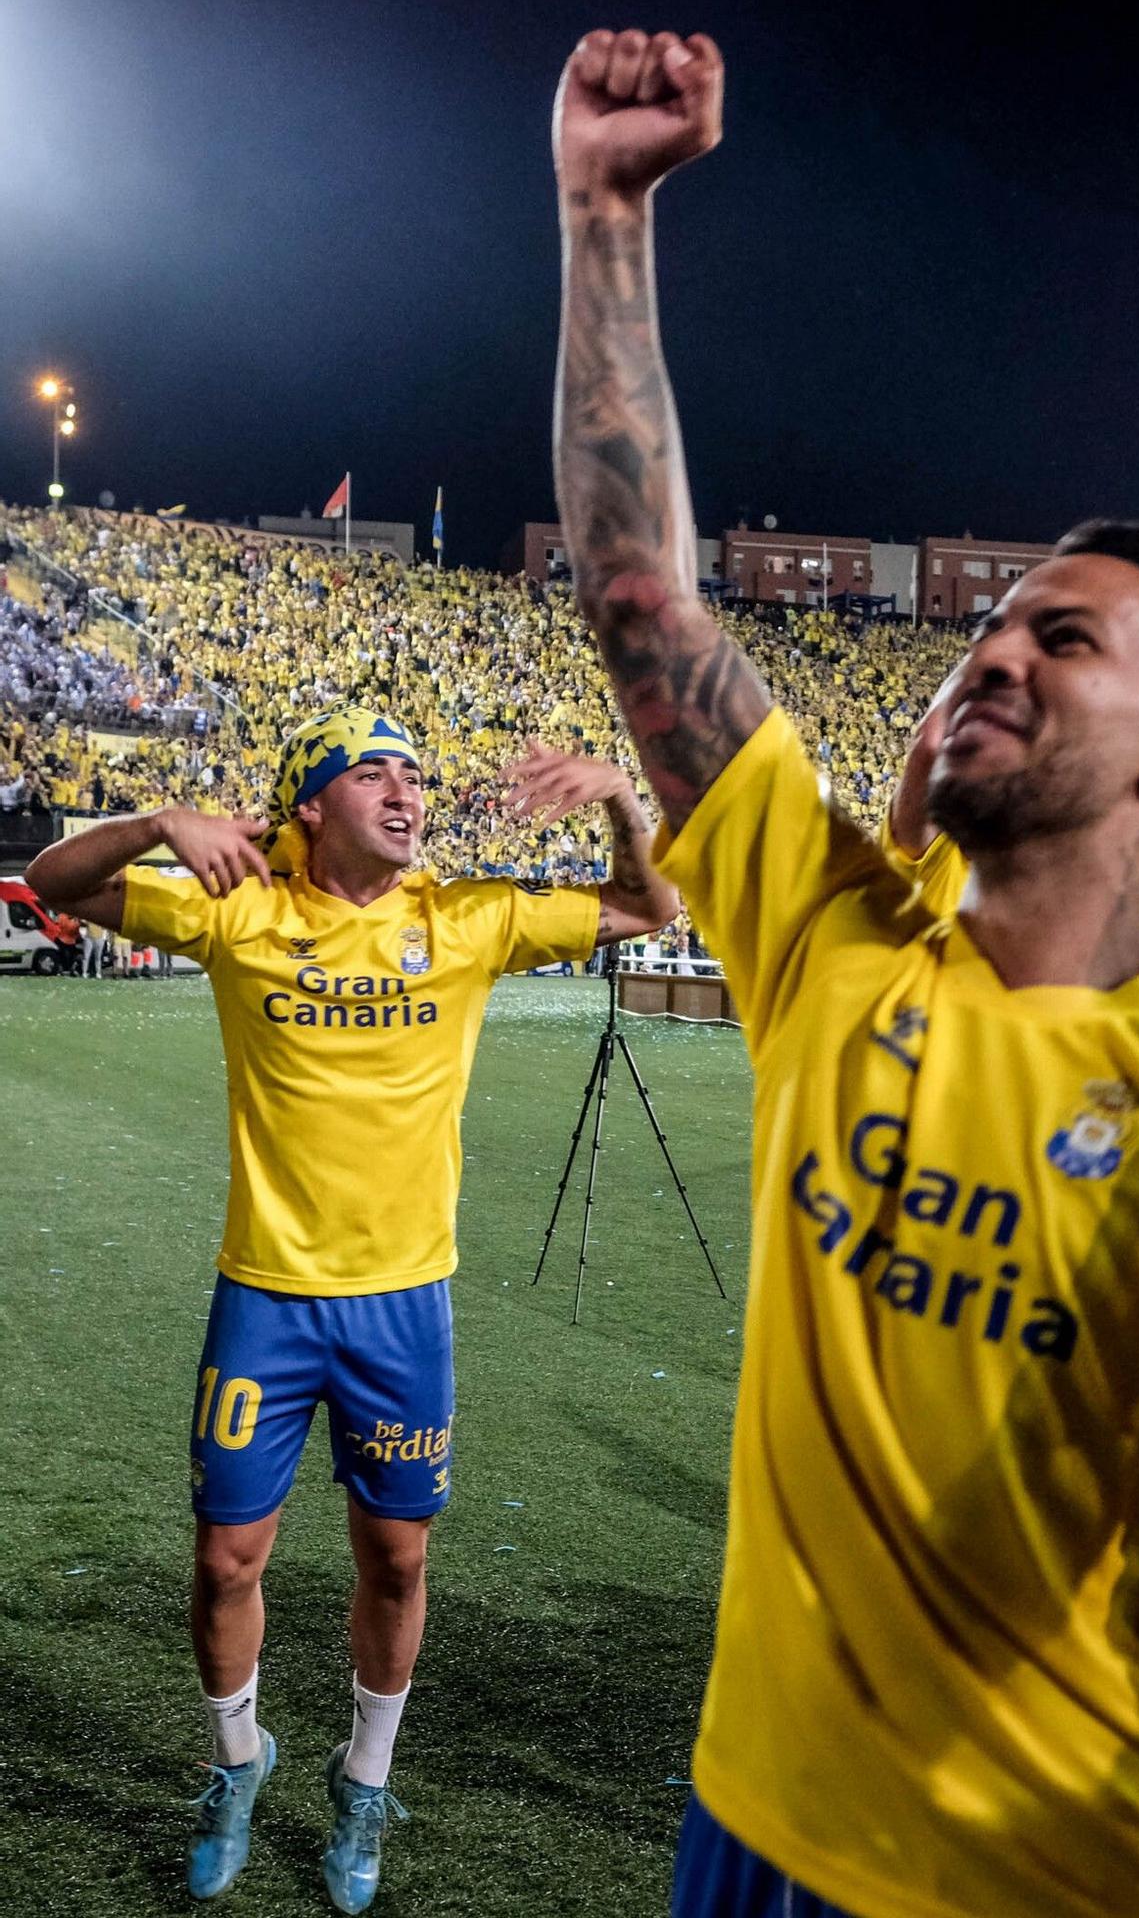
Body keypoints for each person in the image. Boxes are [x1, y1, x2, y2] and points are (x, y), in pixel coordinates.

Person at [551, 26, 1139, 1918]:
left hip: (1052, 1873)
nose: (988, 656)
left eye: (1064, 637)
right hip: (745, 1825)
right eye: (987, 630)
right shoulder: (827, 943)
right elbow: (641, 599)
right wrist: (601, 215)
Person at [26, 706, 677, 1913]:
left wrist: (618, 801)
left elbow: (649, 910)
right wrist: (160, 820)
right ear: (308, 806)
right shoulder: (241, 911)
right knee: (226, 1562)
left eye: (415, 772)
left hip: (403, 1307)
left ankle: (362, 1778)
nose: (405, 788)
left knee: (397, 1553)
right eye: (371, 770)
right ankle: (239, 1761)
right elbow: (50, 878)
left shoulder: (468, 918)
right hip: (266, 1299)